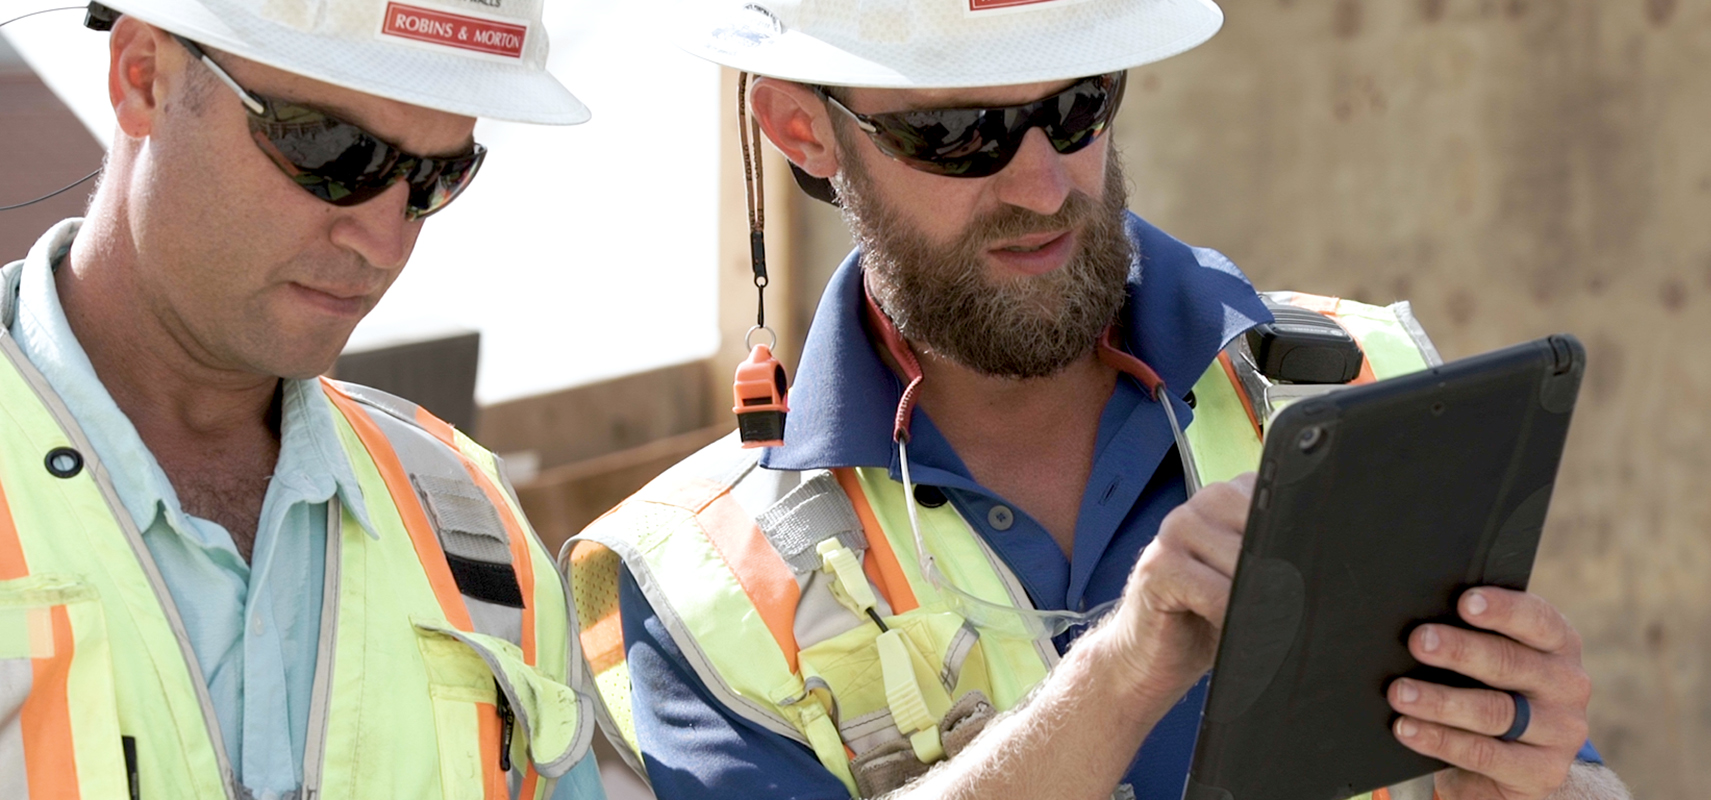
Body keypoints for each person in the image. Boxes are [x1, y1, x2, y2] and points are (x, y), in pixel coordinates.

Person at [563, 1, 1630, 799]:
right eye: (959, 134)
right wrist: (1118, 673)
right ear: (800, 130)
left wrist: (1540, 782)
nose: (1040, 186)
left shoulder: (1366, 383)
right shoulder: (693, 581)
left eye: (1077, 109)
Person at [0, 0, 605, 797]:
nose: (382, 241)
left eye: (434, 178)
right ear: (141, 75)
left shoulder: (478, 532)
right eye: (334, 152)